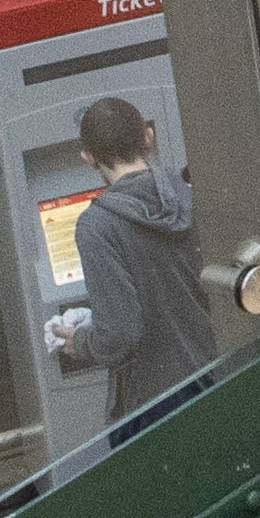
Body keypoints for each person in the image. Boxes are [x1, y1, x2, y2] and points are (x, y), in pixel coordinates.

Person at [63, 94, 214, 432]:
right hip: (216, 376)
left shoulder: (97, 225)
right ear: (148, 137)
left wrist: (81, 340)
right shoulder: (193, 192)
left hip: (151, 404)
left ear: (88, 158)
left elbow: (120, 334)